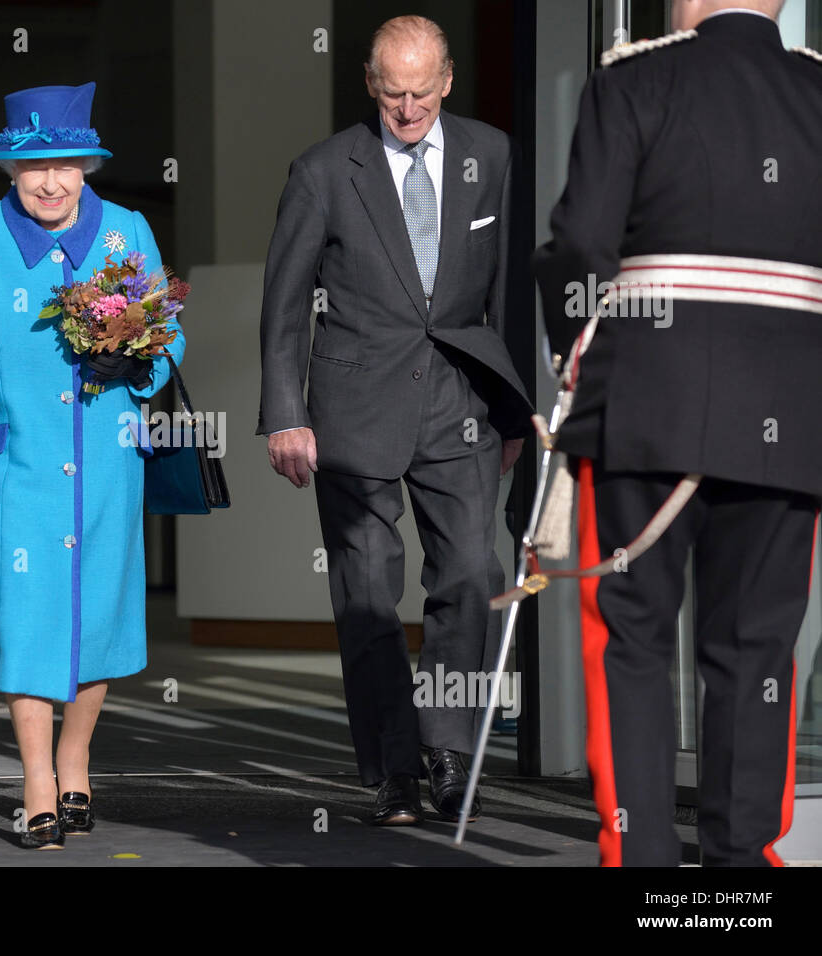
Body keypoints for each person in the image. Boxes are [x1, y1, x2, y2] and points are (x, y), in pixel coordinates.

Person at [532, 0, 822, 866]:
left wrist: (572, 356)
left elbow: (581, 243)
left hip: (646, 407)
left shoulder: (636, 76)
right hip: (791, 416)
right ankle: (740, 877)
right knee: (758, 647)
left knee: (633, 643)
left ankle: (645, 868)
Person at [258, 16, 532, 826]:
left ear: (447, 80)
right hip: (353, 410)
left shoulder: (492, 155)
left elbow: (509, 290)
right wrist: (284, 414)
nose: (407, 110)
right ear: (371, 86)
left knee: (472, 576)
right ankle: (392, 769)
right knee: (368, 596)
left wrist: (512, 404)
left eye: (421, 92)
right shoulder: (322, 171)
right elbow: (282, 307)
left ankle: (448, 749)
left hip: (463, 407)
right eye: (391, 93)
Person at [0, 82, 186, 849]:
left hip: (106, 461)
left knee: (96, 617)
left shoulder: (127, 232)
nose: (49, 181)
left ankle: (76, 759)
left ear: (89, 165)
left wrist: (132, 363)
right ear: (8, 169)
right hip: (14, 469)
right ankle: (36, 777)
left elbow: (167, 346)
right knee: (25, 618)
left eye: (66, 164)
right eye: (31, 166)